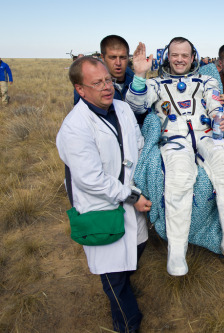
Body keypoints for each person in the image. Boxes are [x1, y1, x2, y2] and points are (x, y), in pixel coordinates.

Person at [126, 37, 224, 276]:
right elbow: (135, 106)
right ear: (167, 57)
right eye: (175, 55)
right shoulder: (156, 85)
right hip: (175, 140)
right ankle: (177, 251)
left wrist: (221, 116)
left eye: (185, 55)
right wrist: (140, 76)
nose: (180, 59)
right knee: (179, 177)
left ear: (193, 57)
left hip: (206, 136)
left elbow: (215, 103)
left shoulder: (206, 80)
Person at [56, 56, 151, 333]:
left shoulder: (121, 108)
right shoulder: (75, 127)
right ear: (80, 89)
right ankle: (128, 324)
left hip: (133, 201)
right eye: (97, 83)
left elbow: (139, 143)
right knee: (113, 278)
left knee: (136, 249)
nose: (106, 87)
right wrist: (132, 196)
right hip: (101, 209)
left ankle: (126, 284)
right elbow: (91, 180)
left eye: (108, 80)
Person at [73, 35, 135, 110]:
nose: (118, 63)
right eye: (113, 57)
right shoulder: (87, 84)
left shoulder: (135, 80)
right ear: (103, 57)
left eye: (123, 57)